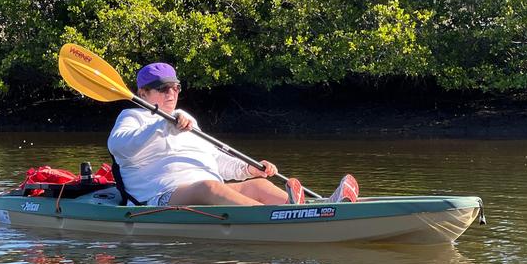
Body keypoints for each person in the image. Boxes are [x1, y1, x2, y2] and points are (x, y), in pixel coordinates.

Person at [107, 62, 359, 206]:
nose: (170, 94)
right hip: (158, 198)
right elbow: (120, 148)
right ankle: (281, 219)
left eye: (175, 87)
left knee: (258, 184)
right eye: (161, 89)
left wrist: (249, 169)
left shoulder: (186, 118)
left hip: (209, 188)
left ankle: (316, 209)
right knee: (208, 187)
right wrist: (162, 125)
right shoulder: (132, 118)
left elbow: (215, 159)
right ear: (143, 94)